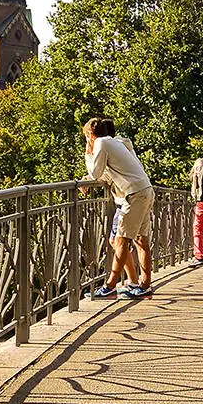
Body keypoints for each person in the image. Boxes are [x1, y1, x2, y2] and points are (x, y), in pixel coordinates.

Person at [84, 116, 153, 297]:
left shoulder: (101, 143)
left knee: (122, 241)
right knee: (141, 240)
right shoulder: (115, 143)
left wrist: (88, 152)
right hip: (145, 189)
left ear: (90, 134)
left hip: (133, 194)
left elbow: (96, 172)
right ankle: (144, 285)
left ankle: (109, 287)